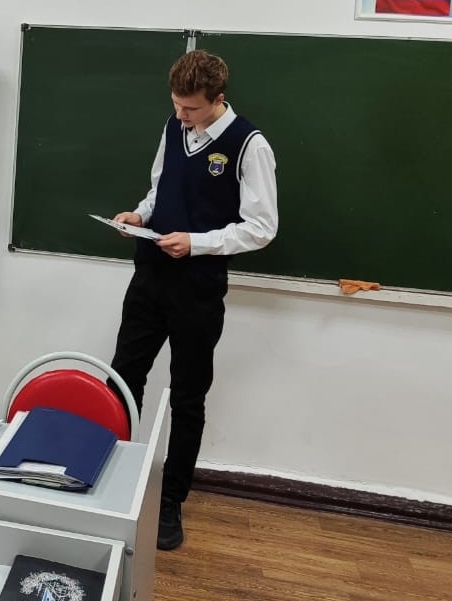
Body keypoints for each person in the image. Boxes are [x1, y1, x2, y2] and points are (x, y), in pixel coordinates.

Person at [108, 49, 278, 551]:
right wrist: (139, 216)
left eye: (192, 108)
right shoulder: (173, 126)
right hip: (149, 276)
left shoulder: (249, 145)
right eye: (176, 105)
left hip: (198, 289)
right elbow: (158, 190)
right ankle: (111, 480)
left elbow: (262, 228)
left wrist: (198, 243)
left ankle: (169, 503)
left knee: (187, 396)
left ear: (218, 99)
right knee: (122, 378)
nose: (182, 115)